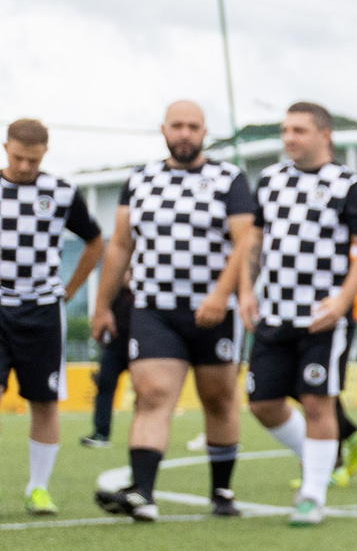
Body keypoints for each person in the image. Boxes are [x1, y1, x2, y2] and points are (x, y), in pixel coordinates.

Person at [92, 100, 256, 522]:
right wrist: (102, 305)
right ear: (163, 129)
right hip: (153, 308)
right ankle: (143, 494)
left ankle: (222, 491)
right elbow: (120, 246)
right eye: (177, 126)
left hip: (215, 312)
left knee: (218, 398)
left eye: (194, 126)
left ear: (205, 132)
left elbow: (245, 243)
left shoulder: (229, 178)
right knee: (152, 395)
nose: (185, 133)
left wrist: (221, 295)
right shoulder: (140, 179)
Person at [242, 103, 357, 527]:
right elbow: (255, 238)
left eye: (298, 130)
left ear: (325, 135)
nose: (288, 138)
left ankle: (312, 494)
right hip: (274, 313)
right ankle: (321, 457)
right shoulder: (269, 180)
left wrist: (342, 300)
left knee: (318, 402)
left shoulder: (348, 185)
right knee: (263, 403)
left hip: (323, 318)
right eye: (285, 130)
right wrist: (246, 291)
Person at [1, 119, 105, 513]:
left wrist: (69, 291)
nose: (25, 167)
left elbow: (95, 242)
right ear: (5, 147)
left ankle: (38, 488)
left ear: (46, 151)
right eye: (17, 158)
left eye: (33, 159)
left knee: (44, 400)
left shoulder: (61, 192)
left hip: (43, 308)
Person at [83, 282, 133, 448]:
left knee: (147, 391)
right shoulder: (111, 292)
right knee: (104, 385)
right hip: (115, 345)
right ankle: (101, 433)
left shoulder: (144, 290)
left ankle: (146, 436)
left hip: (140, 344)